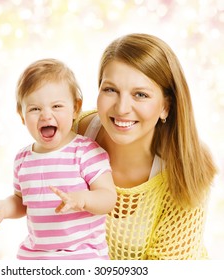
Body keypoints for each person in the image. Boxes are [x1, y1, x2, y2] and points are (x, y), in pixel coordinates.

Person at [74, 33, 217, 260]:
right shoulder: (73, 133)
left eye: (140, 95)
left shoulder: (185, 166)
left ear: (165, 107)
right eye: (110, 89)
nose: (122, 109)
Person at [0, 58, 117, 260]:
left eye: (56, 106)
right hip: (36, 257)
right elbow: (21, 202)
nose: (46, 115)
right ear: (21, 115)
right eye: (35, 109)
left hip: (83, 255)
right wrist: (3, 209)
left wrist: (82, 199)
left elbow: (108, 198)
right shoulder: (22, 159)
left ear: (75, 108)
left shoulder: (86, 152)